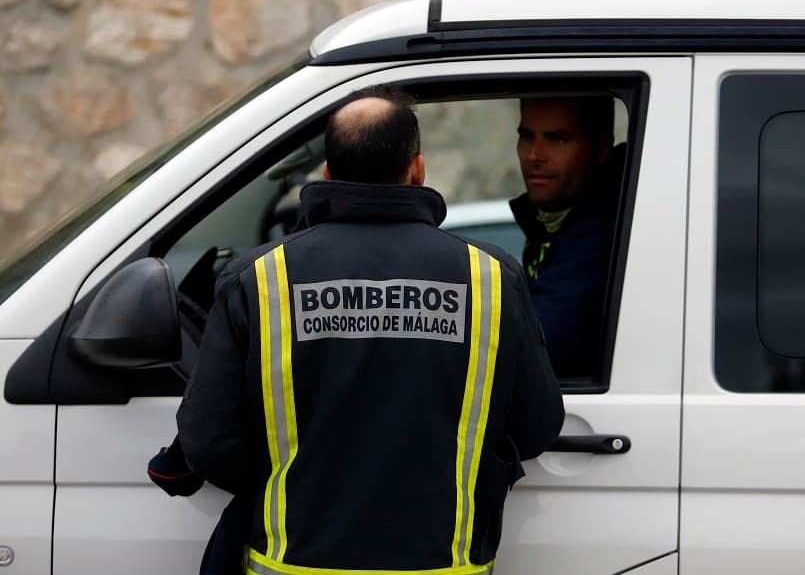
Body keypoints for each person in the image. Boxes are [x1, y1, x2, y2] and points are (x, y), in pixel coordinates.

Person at [177, 84, 564, 575]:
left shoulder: (259, 278)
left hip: (294, 565)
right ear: (418, 169)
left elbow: (209, 441)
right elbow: (536, 426)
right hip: (443, 565)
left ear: (327, 173)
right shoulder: (489, 276)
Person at [509, 96, 624, 379]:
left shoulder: (606, 233)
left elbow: (533, 346)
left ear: (601, 149)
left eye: (557, 139)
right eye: (527, 136)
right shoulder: (552, 220)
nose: (534, 154)